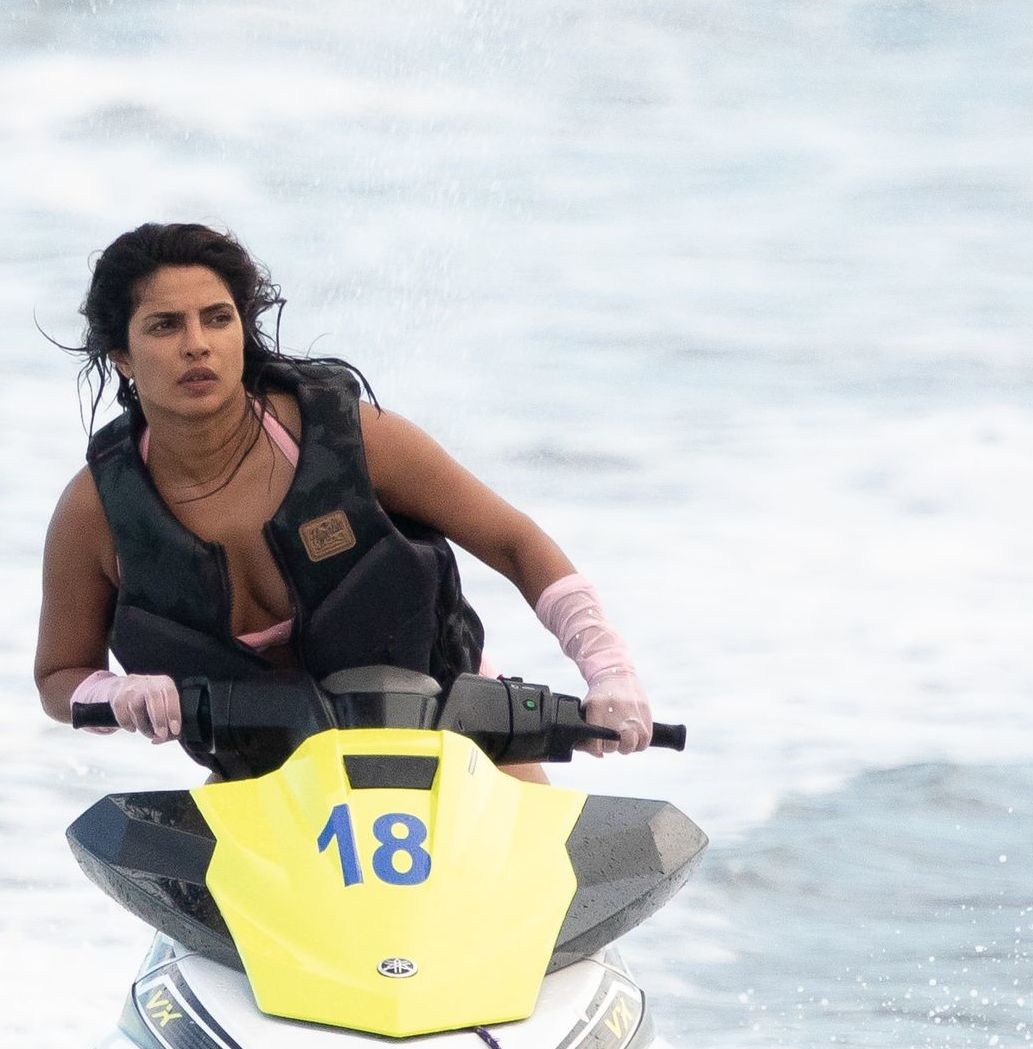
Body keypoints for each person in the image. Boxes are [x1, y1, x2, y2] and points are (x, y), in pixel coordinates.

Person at [33, 222, 653, 761]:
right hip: (263, 781)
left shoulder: (350, 439)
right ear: (122, 356)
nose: (197, 343)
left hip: (454, 738)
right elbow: (58, 674)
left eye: (217, 318)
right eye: (165, 325)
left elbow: (514, 542)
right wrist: (117, 693)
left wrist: (609, 669)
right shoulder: (95, 510)